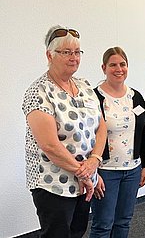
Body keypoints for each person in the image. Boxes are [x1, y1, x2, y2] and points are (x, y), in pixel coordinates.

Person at [22, 25, 107, 238]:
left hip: (84, 178)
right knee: (57, 234)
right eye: (66, 52)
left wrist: (94, 161)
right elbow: (49, 145)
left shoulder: (85, 86)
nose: (74, 57)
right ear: (49, 55)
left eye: (77, 52)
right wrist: (85, 173)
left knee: (77, 231)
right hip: (53, 183)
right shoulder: (38, 91)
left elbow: (101, 125)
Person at [89, 47, 145, 237]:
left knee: (124, 222)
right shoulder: (93, 98)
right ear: (104, 68)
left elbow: (144, 132)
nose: (119, 69)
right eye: (113, 65)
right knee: (103, 224)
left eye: (122, 64)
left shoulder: (136, 97)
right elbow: (87, 135)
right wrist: (93, 173)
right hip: (105, 171)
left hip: (132, 170)